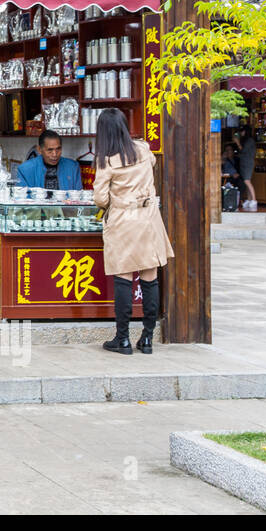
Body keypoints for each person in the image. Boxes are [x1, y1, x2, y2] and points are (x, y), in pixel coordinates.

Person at [93, 108, 174, 355]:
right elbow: (152, 163)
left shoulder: (106, 161)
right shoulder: (143, 148)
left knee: (123, 277)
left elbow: (100, 198)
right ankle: (147, 339)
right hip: (148, 218)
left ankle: (123, 339)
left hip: (123, 221)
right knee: (150, 277)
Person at [15, 129, 83, 190]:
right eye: (50, 150)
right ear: (39, 150)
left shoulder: (72, 167)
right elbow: (21, 198)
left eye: (58, 149)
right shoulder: (25, 170)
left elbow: (78, 197)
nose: (55, 154)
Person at [236, 124, 258, 212]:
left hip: (248, 163)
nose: (241, 133)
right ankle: (249, 200)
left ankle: (254, 199)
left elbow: (243, 150)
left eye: (242, 131)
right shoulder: (247, 140)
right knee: (247, 181)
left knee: (247, 181)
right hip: (244, 163)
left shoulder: (250, 141)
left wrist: (237, 143)